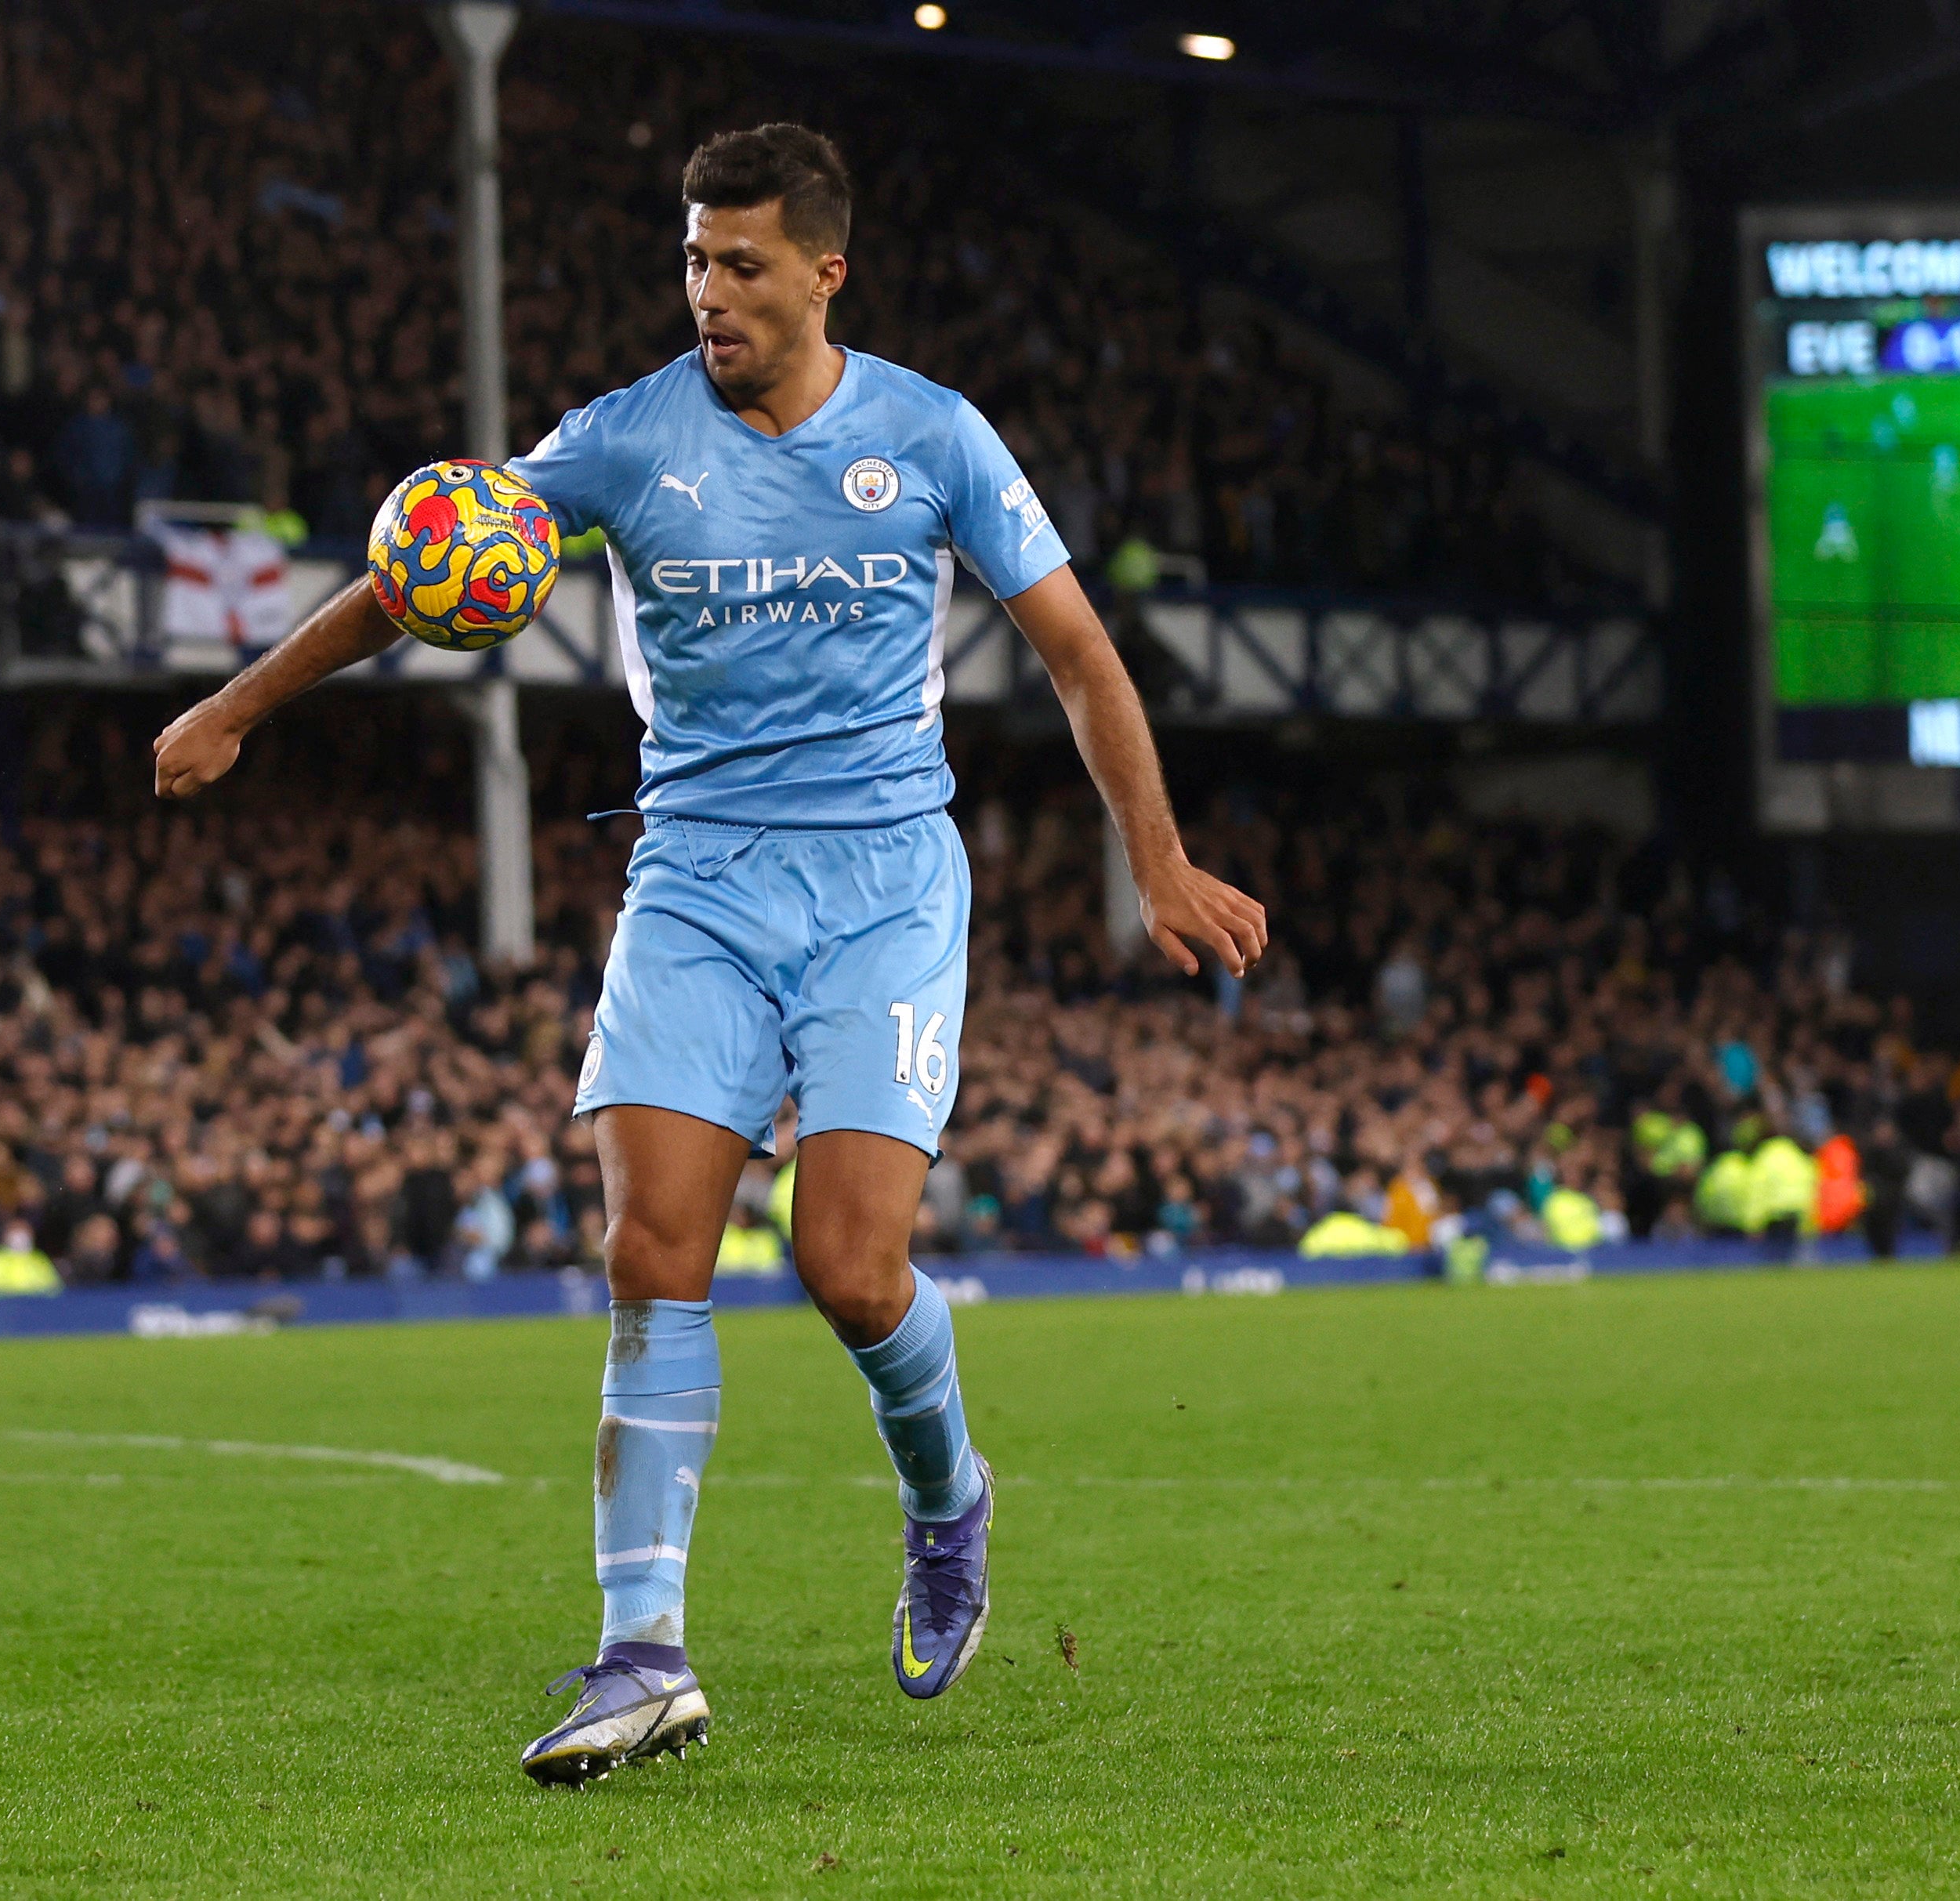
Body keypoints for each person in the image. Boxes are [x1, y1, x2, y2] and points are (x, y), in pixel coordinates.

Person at [150, 124, 1265, 1786]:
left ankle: (946, 1496)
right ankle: (639, 1651)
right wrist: (238, 705)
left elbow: (1081, 658)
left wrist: (1154, 860)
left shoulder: (931, 434)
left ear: (823, 272)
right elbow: (415, 569)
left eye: (739, 265)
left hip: (882, 885)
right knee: (650, 1251)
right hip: (691, 882)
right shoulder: (619, 440)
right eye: (690, 260)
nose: (707, 295)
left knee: (849, 1269)